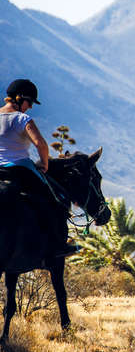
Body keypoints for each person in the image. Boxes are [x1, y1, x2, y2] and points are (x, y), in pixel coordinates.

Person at [0, 79, 78, 257]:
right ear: (20, 98)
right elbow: (41, 144)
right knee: (54, 199)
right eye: (29, 102)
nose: (30, 107)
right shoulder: (22, 118)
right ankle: (58, 245)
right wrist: (44, 163)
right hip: (18, 167)